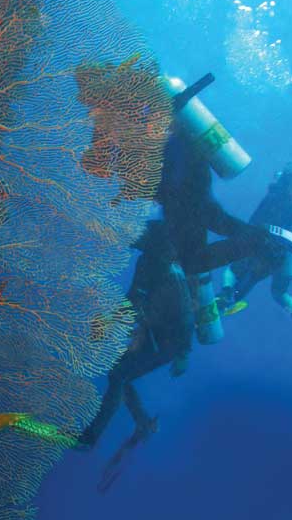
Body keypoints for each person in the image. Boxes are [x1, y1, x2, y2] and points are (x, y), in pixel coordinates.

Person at [78, 124, 274, 449]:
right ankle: (141, 424)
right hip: (172, 298)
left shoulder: (169, 265)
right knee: (118, 372)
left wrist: (166, 344)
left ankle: (93, 439)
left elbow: (167, 308)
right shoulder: (164, 247)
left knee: (119, 374)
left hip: (171, 334)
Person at [219, 164, 292, 370]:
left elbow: (256, 222)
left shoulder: (275, 197)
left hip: (267, 252)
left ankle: (225, 296)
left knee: (235, 271)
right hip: (286, 256)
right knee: (278, 293)